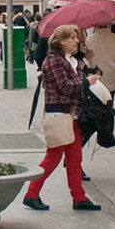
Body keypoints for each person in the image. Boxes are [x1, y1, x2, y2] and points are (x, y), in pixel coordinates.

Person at [23, 24, 102, 212]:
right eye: (72, 37)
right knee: (53, 158)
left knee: (75, 157)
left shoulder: (71, 60)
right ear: (60, 42)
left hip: (71, 114)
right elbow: (64, 86)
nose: (77, 40)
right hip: (59, 114)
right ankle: (31, 194)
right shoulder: (53, 61)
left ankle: (79, 197)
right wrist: (85, 81)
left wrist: (88, 69)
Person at [85, 24, 115, 95]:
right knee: (110, 98)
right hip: (113, 75)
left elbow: (88, 61)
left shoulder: (89, 40)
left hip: (96, 75)